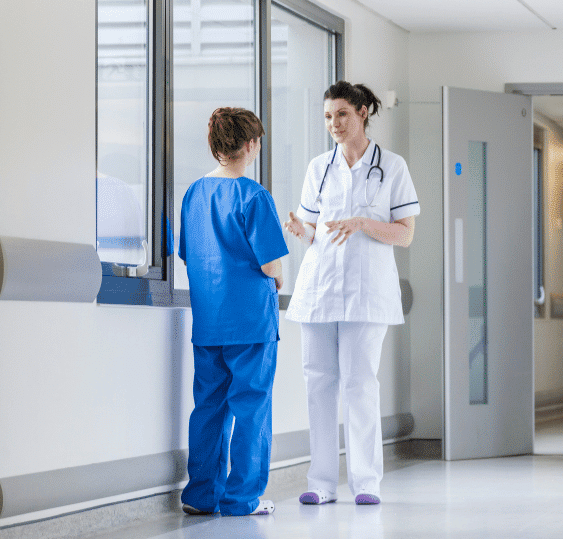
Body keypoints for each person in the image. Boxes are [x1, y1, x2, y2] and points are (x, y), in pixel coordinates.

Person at [283, 81, 419, 505]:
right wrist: (298, 229)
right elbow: (312, 228)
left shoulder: (392, 166)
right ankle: (321, 484)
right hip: (320, 289)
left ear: (362, 113)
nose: (334, 124)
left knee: (360, 384)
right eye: (327, 116)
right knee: (319, 384)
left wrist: (362, 222)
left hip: (367, 291)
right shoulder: (318, 167)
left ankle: (366, 483)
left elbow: (405, 234)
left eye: (341, 114)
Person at [178, 107, 289, 516]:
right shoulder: (255, 196)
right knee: (251, 408)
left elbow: (189, 256)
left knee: (208, 408)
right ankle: (242, 498)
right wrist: (278, 279)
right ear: (251, 144)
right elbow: (270, 263)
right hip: (251, 323)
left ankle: (200, 496)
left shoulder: (193, 194)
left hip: (209, 323)